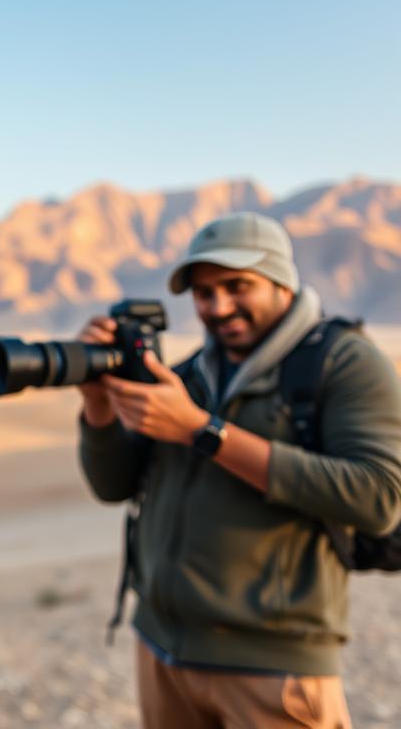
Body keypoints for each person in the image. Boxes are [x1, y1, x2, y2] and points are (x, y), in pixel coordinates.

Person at [77, 212, 401, 728]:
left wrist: (202, 430)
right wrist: (97, 406)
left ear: (281, 282)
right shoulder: (189, 374)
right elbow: (113, 486)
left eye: (237, 286)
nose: (218, 306)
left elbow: (378, 497)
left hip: (273, 667)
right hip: (162, 651)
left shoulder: (345, 363)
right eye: (204, 293)